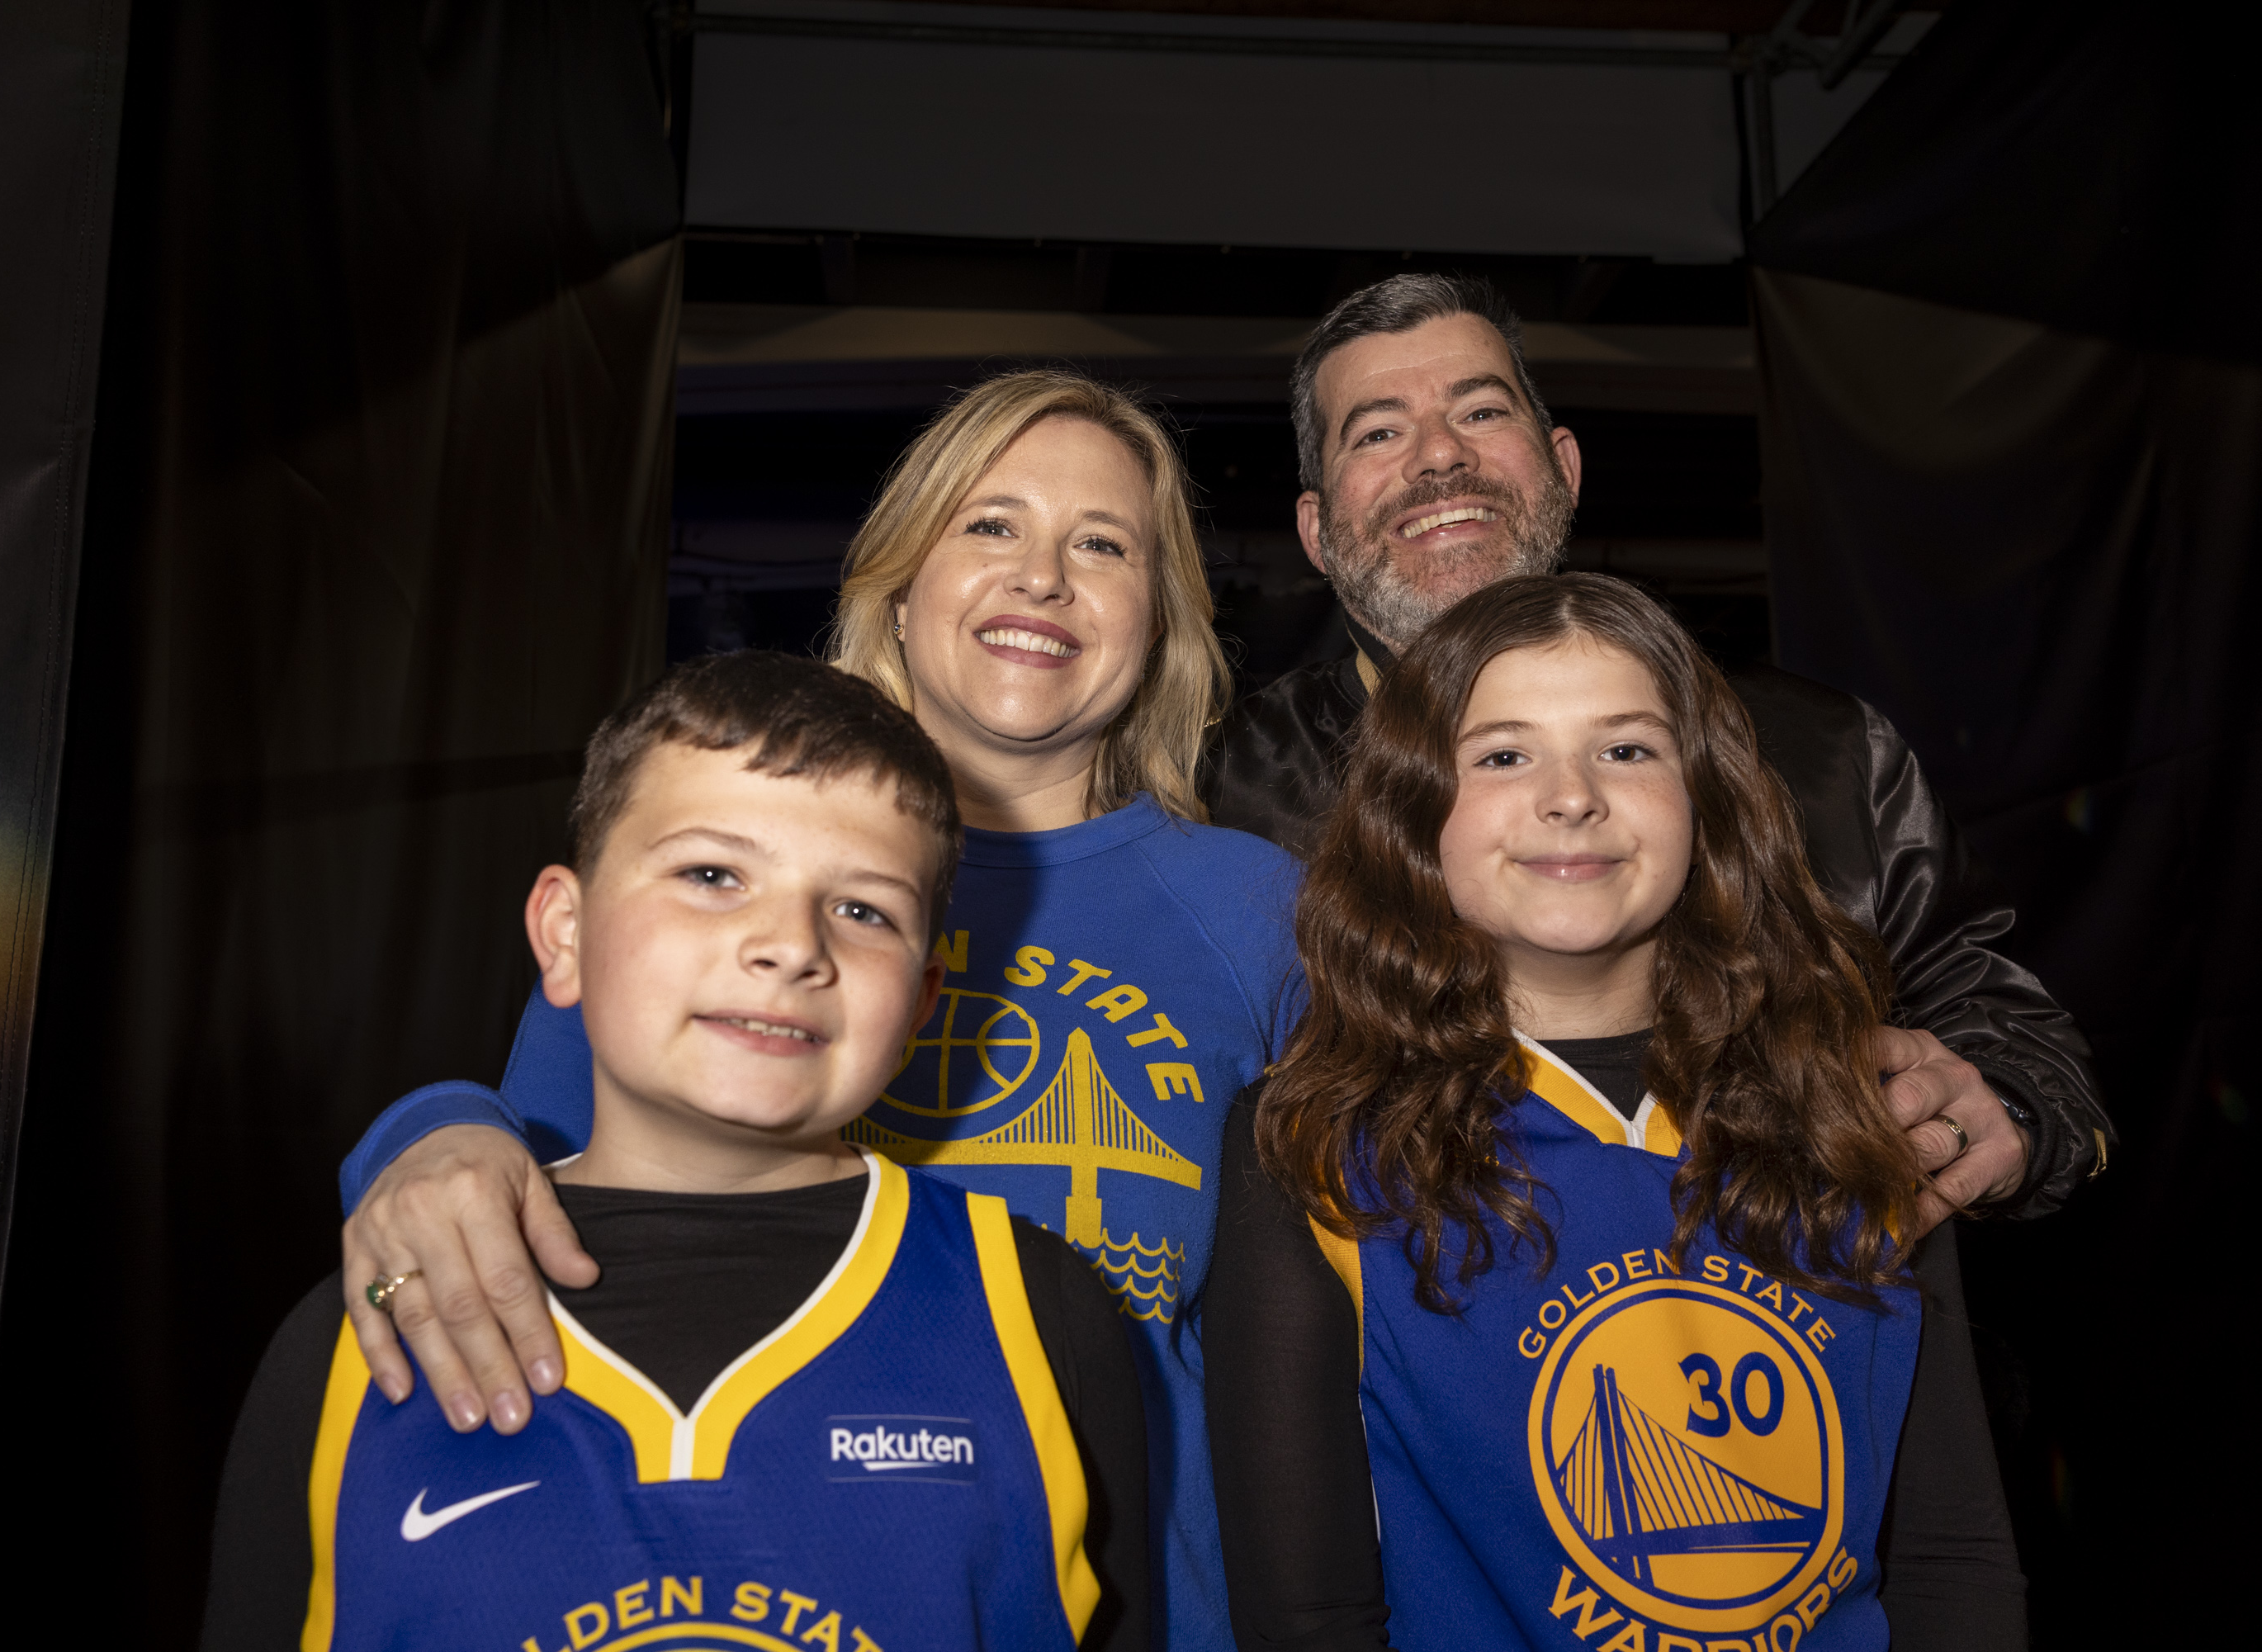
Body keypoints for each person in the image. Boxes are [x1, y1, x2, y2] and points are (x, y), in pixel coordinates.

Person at [331, 373, 1304, 1649]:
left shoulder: (1257, 911)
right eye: (991, 524)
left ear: (1160, 620)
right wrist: (427, 1132)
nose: (1044, 577)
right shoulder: (728, 863)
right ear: (902, 585)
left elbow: (1378, 1269)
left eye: (1103, 545)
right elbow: (537, 1151)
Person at [201, 651, 1148, 1651]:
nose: (791, 944)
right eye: (711, 874)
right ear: (564, 935)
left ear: (918, 1004)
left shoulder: (1041, 1317)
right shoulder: (369, 1328)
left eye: (863, 909)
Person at [1206, 574, 2025, 1652]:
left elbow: (1949, 1556)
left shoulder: (1858, 1113)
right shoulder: (1311, 1146)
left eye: (1627, 749)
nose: (1571, 795)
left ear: (1706, 796)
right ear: (1417, 815)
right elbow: (1310, 1618)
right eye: (1503, 754)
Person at [1205, 273, 2110, 1227]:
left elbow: (2009, 1030)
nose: (1440, 456)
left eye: (1480, 409)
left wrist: (2008, 1108)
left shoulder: (1826, 755)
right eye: (1379, 432)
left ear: (1563, 467)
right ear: (1315, 528)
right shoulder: (1213, 790)